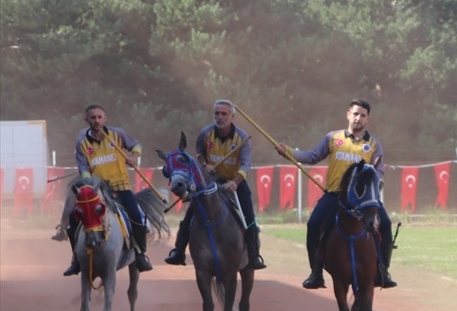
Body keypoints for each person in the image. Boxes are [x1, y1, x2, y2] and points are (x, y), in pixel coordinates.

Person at [276, 99, 395, 290]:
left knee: (386, 224)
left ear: (367, 119)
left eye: (362, 115)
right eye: (355, 114)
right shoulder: (332, 138)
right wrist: (288, 152)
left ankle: (383, 271)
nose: (358, 118)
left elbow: (378, 171)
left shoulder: (374, 144)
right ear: (348, 114)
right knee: (313, 224)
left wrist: (377, 179)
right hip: (335, 196)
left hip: (363, 198)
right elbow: (312, 156)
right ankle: (316, 272)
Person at [165, 100, 267, 270]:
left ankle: (254, 255)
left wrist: (235, 182)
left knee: (248, 217)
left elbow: (246, 165)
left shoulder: (242, 138)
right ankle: (179, 250)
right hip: (210, 183)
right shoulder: (205, 134)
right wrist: (205, 165)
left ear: (232, 116)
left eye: (224, 114)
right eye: (217, 113)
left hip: (234, 182)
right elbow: (199, 153)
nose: (220, 117)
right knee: (190, 214)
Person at [63, 104, 153, 275]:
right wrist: (89, 181)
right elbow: (83, 167)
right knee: (74, 218)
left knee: (136, 217)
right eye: (93, 118)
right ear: (86, 120)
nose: (96, 121)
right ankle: (76, 259)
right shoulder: (82, 143)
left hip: (121, 187)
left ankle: (140, 254)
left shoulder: (117, 134)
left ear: (105, 118)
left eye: (99, 117)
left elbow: (136, 146)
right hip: (98, 191)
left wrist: (134, 157)